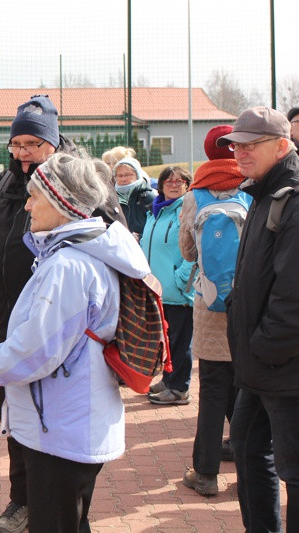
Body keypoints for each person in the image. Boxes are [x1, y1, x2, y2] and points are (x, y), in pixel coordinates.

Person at [0, 152, 145, 533]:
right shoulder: (79, 251)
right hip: (69, 418)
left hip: (62, 426)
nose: (27, 205)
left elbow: (26, 357)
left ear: (62, 202)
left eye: (36, 196)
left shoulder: (69, 266)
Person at [0, 95, 126, 533]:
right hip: (8, 314)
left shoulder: (80, 186)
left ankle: (39, 499)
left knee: (41, 412)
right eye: (16, 144)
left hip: (63, 328)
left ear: (52, 144)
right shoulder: (0, 185)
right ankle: (23, 496)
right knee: (14, 406)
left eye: (32, 144)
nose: (21, 153)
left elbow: (114, 243)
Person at [219, 106, 299, 532]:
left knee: (294, 472)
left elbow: (293, 298)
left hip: (282, 366)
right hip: (260, 364)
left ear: (282, 146)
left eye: (251, 145)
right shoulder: (264, 191)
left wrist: (263, 348)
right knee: (249, 452)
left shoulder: (293, 197)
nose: (240, 152)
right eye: (236, 144)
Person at [178, 125, 246, 496]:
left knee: (214, 391)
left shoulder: (196, 195)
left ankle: (204, 473)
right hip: (249, 305)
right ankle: (247, 463)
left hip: (209, 304)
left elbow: (189, 252)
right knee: (246, 387)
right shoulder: (251, 188)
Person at [142, 166, 195, 406]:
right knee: (167, 341)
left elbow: (193, 251)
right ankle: (168, 379)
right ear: (160, 185)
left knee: (180, 342)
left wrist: (181, 279)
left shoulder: (187, 211)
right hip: (157, 290)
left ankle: (179, 389)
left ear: (186, 184)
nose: (174, 185)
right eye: (169, 181)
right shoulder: (155, 213)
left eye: (179, 181)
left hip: (178, 292)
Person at [112, 157, 156, 236]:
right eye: (120, 175)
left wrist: (140, 236)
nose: (123, 179)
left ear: (137, 175)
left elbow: (158, 228)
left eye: (128, 175)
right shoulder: (112, 197)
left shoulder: (148, 197)